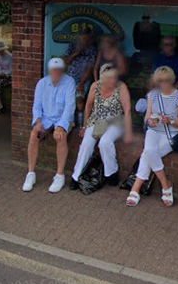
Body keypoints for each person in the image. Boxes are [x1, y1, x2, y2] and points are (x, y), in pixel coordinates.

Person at [126, 66, 178, 208]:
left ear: (172, 80)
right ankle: (166, 185)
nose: (163, 84)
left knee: (148, 154)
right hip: (154, 131)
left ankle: (135, 188)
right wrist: (150, 122)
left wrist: (171, 121)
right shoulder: (152, 95)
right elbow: (147, 118)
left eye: (166, 80)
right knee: (149, 152)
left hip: (171, 133)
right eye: (160, 81)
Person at [69, 65, 133, 190]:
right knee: (86, 144)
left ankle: (111, 173)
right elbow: (88, 106)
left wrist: (129, 132)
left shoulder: (121, 87)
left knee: (105, 142)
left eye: (114, 77)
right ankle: (76, 176)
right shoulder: (95, 86)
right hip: (97, 120)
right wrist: (84, 126)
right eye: (109, 78)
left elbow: (127, 110)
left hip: (115, 121)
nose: (112, 81)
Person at [24, 57, 76, 193]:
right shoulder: (41, 83)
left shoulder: (69, 82)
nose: (56, 73)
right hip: (46, 118)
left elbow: (69, 107)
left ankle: (59, 175)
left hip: (63, 118)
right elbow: (37, 105)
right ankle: (31, 174)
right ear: (49, 71)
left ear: (62, 71)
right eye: (53, 70)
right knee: (34, 134)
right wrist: (38, 122)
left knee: (60, 136)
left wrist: (61, 126)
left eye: (58, 70)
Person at [62, 32, 98, 117]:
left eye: (86, 39)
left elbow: (90, 68)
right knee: (67, 101)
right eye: (82, 39)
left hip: (83, 80)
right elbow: (64, 62)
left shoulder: (92, 49)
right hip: (69, 79)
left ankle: (80, 123)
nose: (84, 42)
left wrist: (82, 83)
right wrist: (75, 54)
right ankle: (68, 122)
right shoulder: (72, 47)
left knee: (80, 100)